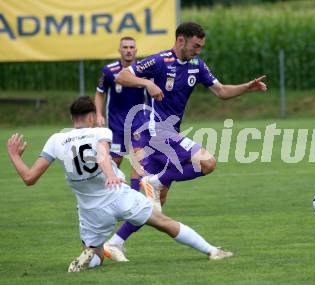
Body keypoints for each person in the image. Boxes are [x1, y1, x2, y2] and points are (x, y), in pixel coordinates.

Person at [6, 96, 233, 272]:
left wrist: (15, 156)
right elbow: (101, 152)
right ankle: (212, 250)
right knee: (164, 222)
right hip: (117, 194)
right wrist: (110, 175)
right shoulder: (100, 131)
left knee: (95, 254)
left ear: (72, 118)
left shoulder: (56, 139)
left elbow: (29, 178)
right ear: (92, 117)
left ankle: (88, 257)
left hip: (90, 210)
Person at [103, 21, 267, 261]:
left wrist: (247, 87)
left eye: (201, 46)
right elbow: (122, 76)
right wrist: (147, 82)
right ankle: (155, 181)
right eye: (196, 45)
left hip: (164, 136)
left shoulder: (196, 64)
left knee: (152, 207)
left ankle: (114, 243)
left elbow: (221, 91)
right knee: (207, 162)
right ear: (181, 40)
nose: (199, 50)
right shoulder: (159, 61)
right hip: (154, 130)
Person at [94, 36, 147, 191]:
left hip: (138, 122)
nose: (128, 50)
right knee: (113, 164)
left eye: (131, 47)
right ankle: (108, 197)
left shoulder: (143, 70)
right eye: (125, 47)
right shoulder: (109, 71)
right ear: (119, 50)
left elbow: (152, 94)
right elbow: (99, 93)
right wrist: (98, 114)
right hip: (116, 125)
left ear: (136, 51)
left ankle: (134, 197)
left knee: (139, 161)